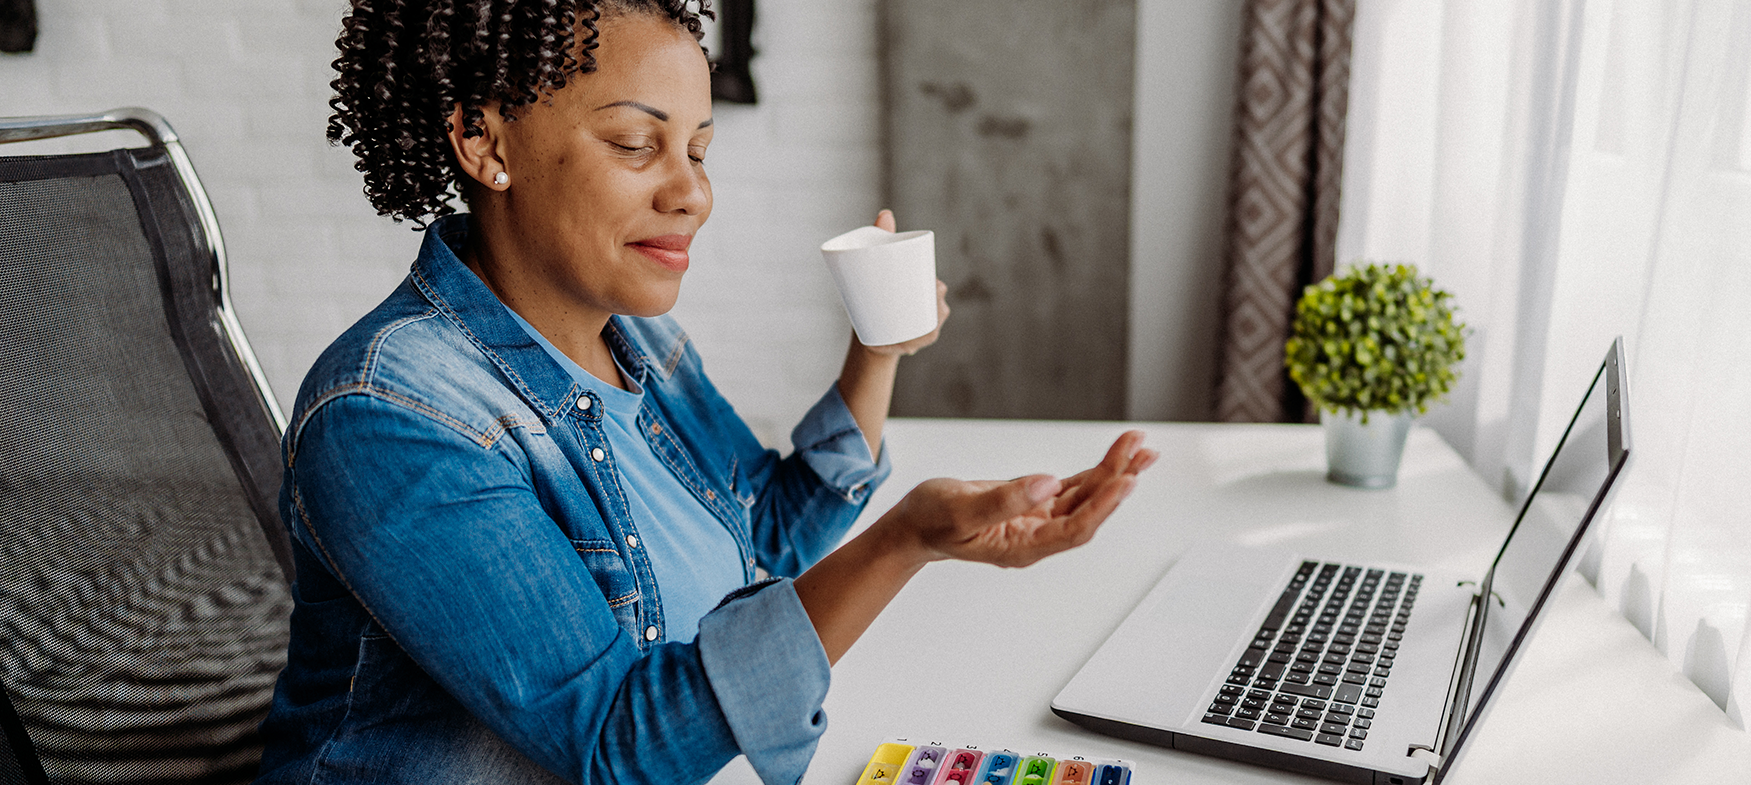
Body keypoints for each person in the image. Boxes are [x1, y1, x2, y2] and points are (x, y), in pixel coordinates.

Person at [252, 1, 1156, 783]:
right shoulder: (388, 417)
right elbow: (618, 745)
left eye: (697, 148)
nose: (693, 193)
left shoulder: (633, 339)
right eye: (636, 144)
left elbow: (764, 534)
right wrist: (905, 538)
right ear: (484, 140)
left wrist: (876, 353)